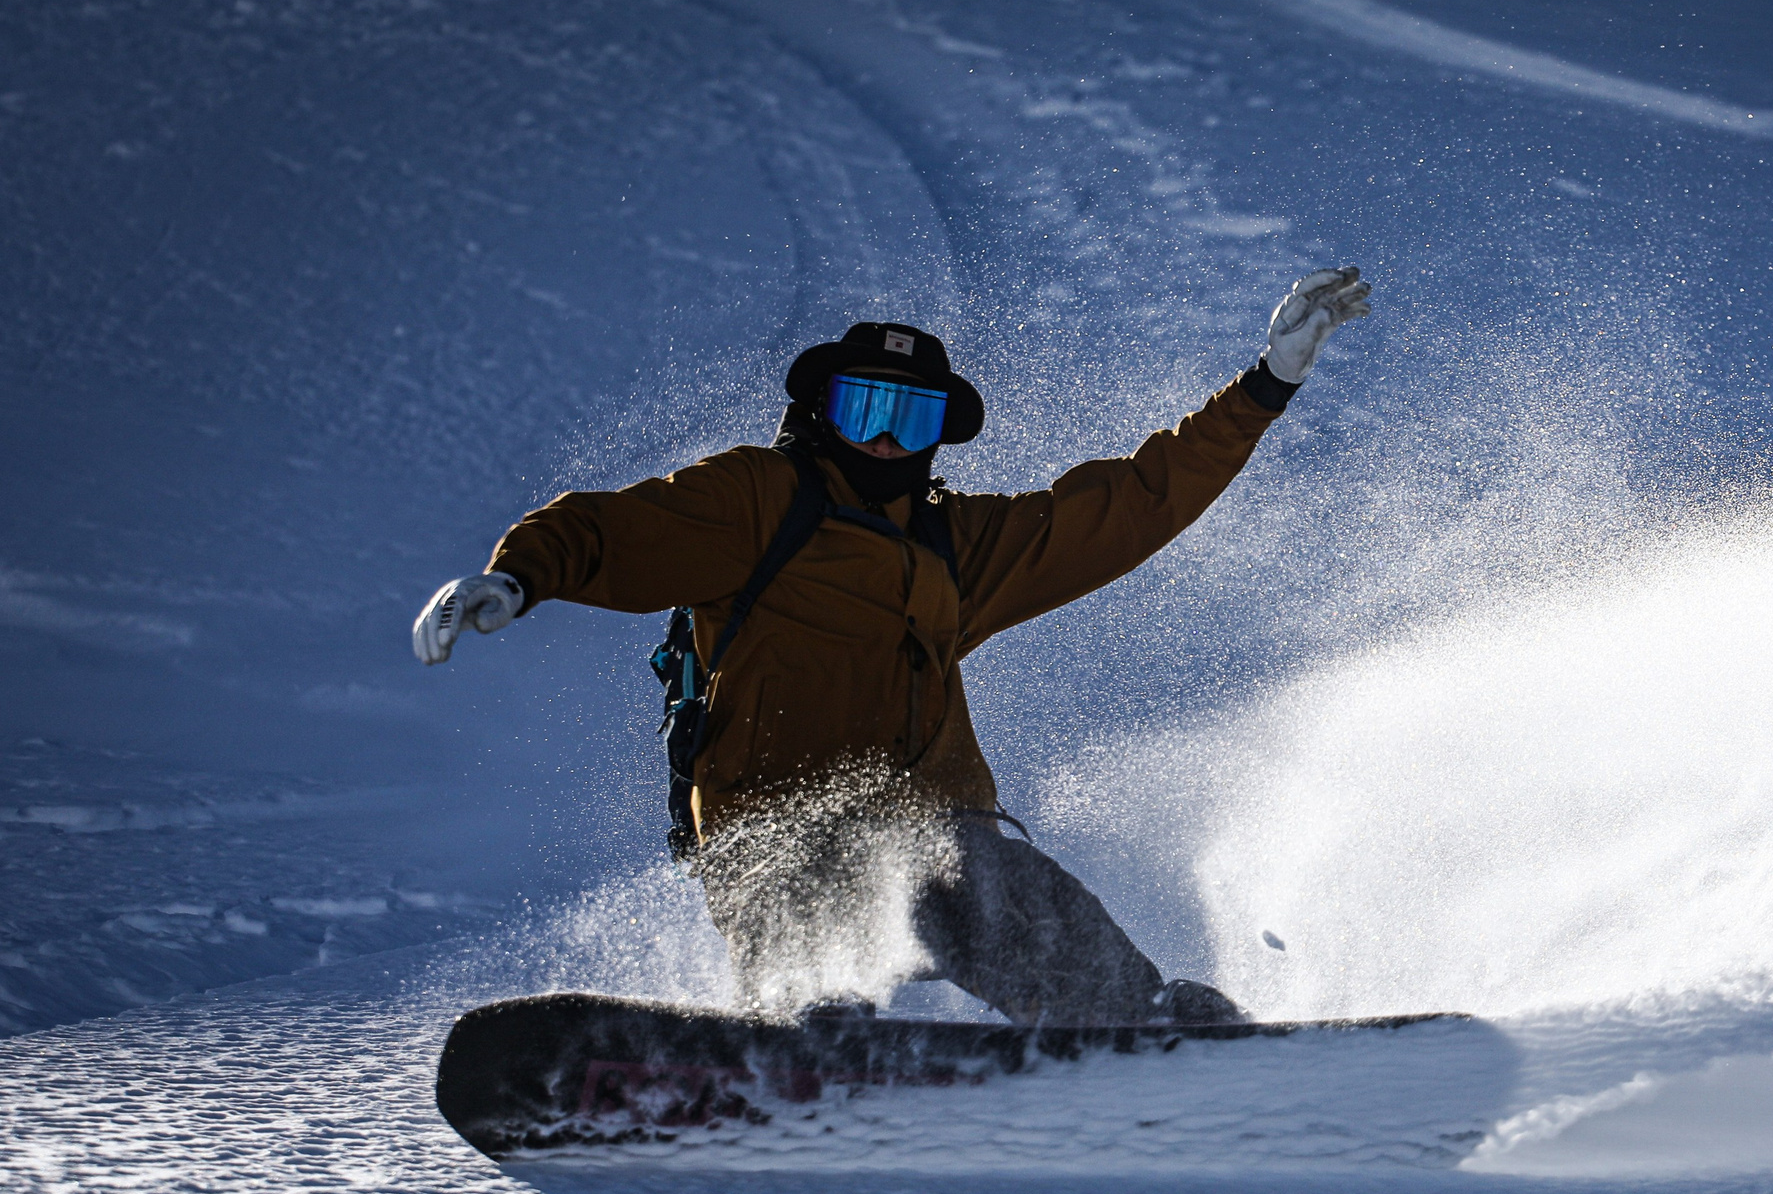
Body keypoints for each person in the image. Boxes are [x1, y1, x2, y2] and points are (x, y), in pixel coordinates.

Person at [412, 268, 1371, 1024]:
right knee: (804, 899)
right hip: (766, 828)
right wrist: (519, 575)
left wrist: (1266, 384)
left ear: (937, 436)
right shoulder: (757, 501)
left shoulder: (956, 546)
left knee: (984, 876)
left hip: (923, 823)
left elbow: (1126, 506)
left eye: (906, 418)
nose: (880, 441)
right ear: (821, 410)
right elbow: (622, 530)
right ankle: (806, 1034)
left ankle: (1143, 1023)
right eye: (861, 409)